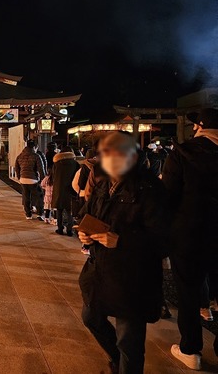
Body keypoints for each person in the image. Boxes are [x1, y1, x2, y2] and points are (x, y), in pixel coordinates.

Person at [78, 132, 168, 374]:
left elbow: (164, 240)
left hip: (133, 278)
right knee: (90, 317)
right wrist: (84, 232)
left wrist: (122, 241)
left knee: (129, 339)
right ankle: (118, 360)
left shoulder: (150, 189)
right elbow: (88, 214)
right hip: (101, 270)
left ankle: (126, 366)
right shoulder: (103, 183)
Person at [163, 108, 218, 370]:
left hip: (189, 233)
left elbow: (168, 197)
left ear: (199, 127)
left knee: (188, 290)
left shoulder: (183, 153)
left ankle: (191, 349)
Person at [52, 146, 80, 236]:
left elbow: (53, 177)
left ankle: (60, 229)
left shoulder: (56, 164)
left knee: (59, 210)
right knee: (69, 211)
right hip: (70, 190)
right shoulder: (75, 164)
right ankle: (69, 230)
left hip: (59, 189)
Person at [15, 140, 46, 220]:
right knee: (39, 196)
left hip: (23, 179)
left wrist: (19, 178)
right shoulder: (36, 156)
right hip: (33, 179)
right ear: (34, 147)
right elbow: (41, 169)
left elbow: (17, 168)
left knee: (26, 197)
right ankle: (40, 213)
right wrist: (43, 179)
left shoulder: (19, 156)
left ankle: (28, 215)